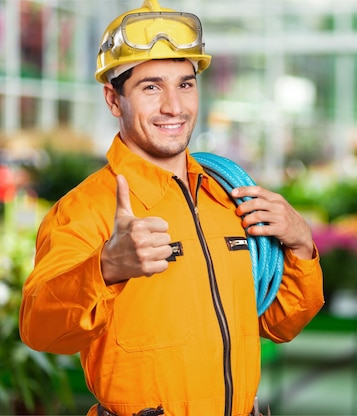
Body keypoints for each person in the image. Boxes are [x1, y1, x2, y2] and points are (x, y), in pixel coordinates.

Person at [19, 1, 324, 415]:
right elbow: (41, 331)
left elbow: (278, 324)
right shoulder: (83, 211)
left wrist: (301, 244)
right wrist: (105, 268)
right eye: (150, 87)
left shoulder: (230, 196)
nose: (174, 107)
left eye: (185, 84)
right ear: (113, 99)